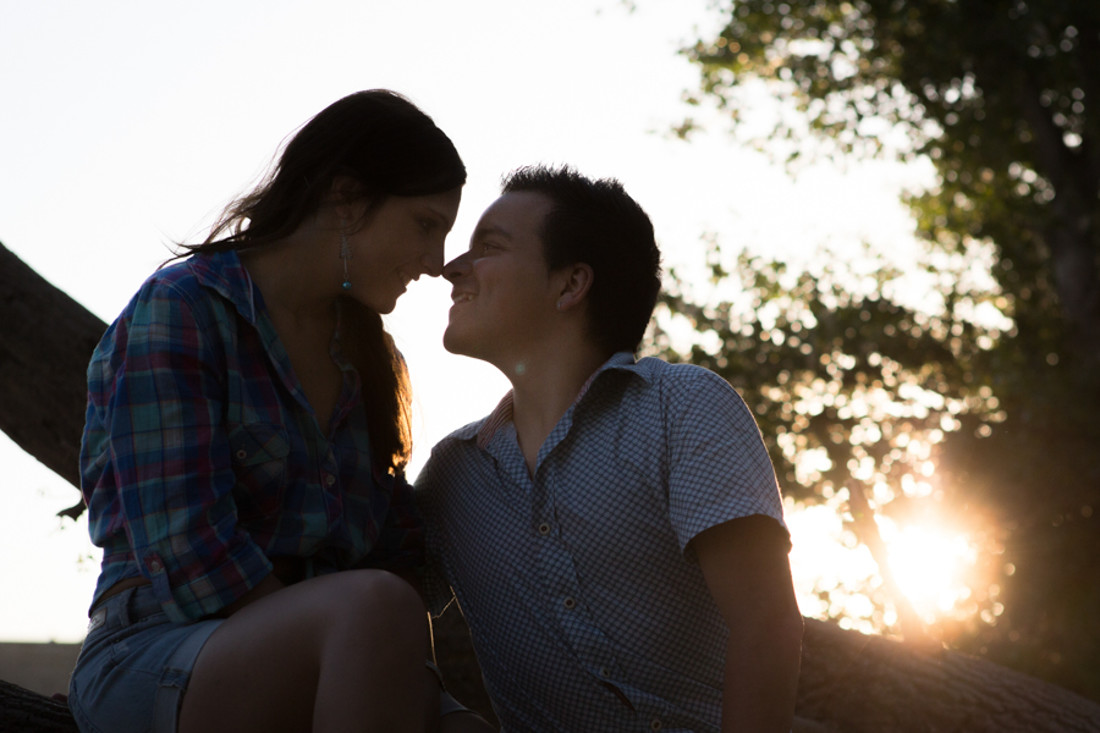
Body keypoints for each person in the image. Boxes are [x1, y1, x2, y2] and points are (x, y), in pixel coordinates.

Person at [69, 90, 492, 733]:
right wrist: (353, 640)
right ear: (347, 200)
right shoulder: (181, 311)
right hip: (156, 651)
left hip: (337, 645)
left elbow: (397, 552)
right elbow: (191, 556)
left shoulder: (366, 356)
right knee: (375, 607)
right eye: (425, 225)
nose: (436, 264)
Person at [415, 165, 804, 732]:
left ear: (571, 284)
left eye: (488, 247)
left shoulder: (680, 407)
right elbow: (377, 621)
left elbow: (765, 624)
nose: (452, 268)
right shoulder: (454, 475)